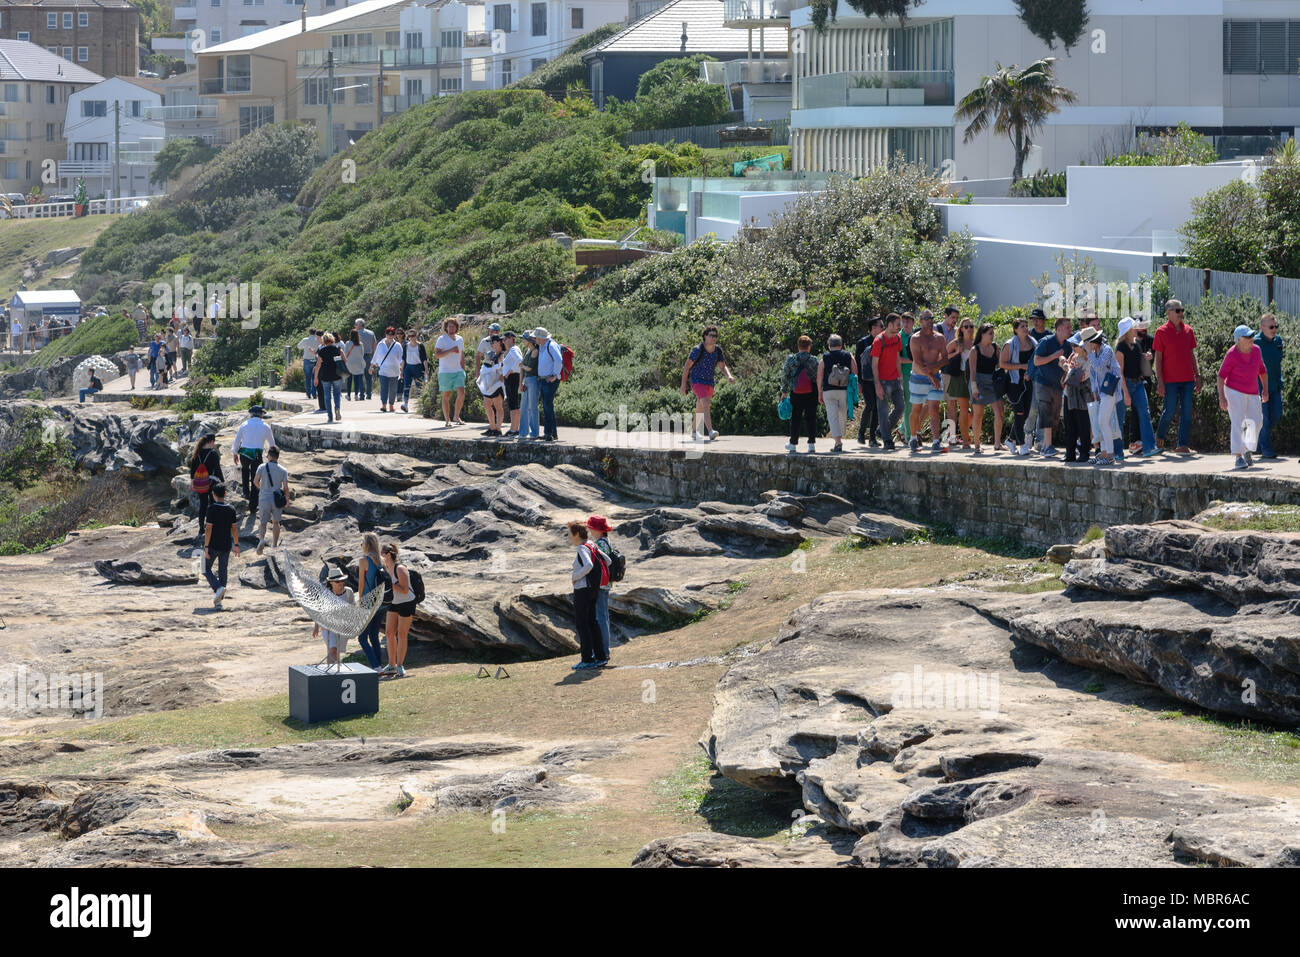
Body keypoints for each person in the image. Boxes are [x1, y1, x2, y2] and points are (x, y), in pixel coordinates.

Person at [1218, 324, 1269, 470]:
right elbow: (1221, 377)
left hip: (1252, 391)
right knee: (1238, 421)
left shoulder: (1257, 350)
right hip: (1233, 390)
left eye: (1252, 335)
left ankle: (1246, 448)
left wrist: (1265, 390)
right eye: (1248, 337)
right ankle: (1238, 456)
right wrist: (1222, 397)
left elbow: (1262, 371)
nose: (1252, 339)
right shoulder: (1232, 354)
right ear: (1238, 340)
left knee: (1257, 421)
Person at [1154, 299, 1201, 454]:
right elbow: (1158, 359)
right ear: (1168, 313)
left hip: (1188, 380)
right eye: (1177, 310)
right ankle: (1159, 438)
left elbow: (1191, 354)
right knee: (1169, 411)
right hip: (1170, 381)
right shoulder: (1161, 332)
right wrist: (1160, 381)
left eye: (1181, 310)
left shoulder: (1188, 330)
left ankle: (1182, 445)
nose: (1181, 313)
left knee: (1187, 412)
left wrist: (1198, 375)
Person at [1080, 325, 1126, 467]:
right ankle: (1105, 453)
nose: (1086, 347)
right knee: (1102, 422)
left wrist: (1090, 355)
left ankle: (1110, 455)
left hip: (1111, 391)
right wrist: (1095, 393)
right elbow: (1093, 375)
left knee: (1102, 421)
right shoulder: (1094, 353)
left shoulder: (1106, 350)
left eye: (1087, 343)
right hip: (1101, 392)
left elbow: (1099, 366)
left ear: (1093, 341)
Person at [682, 326, 735, 442]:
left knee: (700, 407)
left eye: (715, 336)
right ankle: (710, 431)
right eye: (711, 335)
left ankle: (694, 432)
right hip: (696, 381)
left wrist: (729, 376)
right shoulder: (697, 349)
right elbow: (687, 367)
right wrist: (683, 385)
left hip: (709, 382)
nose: (713, 338)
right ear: (705, 336)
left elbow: (722, 366)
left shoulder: (718, 350)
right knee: (705, 402)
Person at [1116, 317, 1158, 458]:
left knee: (1145, 413)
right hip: (1125, 384)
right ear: (1127, 331)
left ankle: (1149, 447)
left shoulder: (1137, 344)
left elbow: (1136, 360)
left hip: (1138, 383)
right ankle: (1117, 451)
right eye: (1134, 327)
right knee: (1120, 418)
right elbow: (1120, 373)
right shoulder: (1120, 348)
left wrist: (1145, 358)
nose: (1137, 329)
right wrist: (1126, 393)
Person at [568, 521, 606, 670]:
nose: (569, 537)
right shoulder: (592, 544)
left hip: (582, 590)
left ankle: (587, 659)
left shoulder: (582, 548)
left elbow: (589, 565)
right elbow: (607, 561)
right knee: (592, 622)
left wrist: (576, 576)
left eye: (570, 534)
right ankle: (600, 657)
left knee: (582, 624)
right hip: (593, 590)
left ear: (577, 534)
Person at [1032, 316, 1072, 456]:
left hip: (1057, 384)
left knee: (1055, 416)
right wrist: (1054, 355)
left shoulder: (1067, 345)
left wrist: (1065, 366)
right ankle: (1046, 446)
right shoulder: (1046, 342)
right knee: (1045, 411)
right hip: (1042, 382)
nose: (1070, 330)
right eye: (1068, 327)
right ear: (1059, 329)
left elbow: (1062, 362)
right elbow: (1036, 361)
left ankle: (1044, 444)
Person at [908, 310, 947, 452]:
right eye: (926, 318)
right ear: (920, 321)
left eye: (931, 318)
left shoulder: (940, 338)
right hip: (919, 378)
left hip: (935, 377)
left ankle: (936, 441)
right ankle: (912, 438)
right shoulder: (915, 338)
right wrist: (931, 377)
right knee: (916, 409)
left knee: (934, 409)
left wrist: (933, 369)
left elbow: (945, 358)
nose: (929, 320)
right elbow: (918, 362)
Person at [968, 322, 1004, 454]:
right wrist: (974, 388)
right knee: (978, 414)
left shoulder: (996, 347)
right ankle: (977, 445)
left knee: (999, 412)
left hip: (992, 382)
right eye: (990, 333)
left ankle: (997, 443)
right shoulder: (974, 350)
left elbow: (999, 367)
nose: (992, 336)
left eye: (993, 333)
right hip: (978, 382)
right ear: (982, 334)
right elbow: (972, 371)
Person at [1000, 318, 1035, 455]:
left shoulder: (1033, 343)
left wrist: (1030, 372)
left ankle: (1010, 439)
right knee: (1019, 412)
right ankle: (1022, 444)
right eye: (1022, 326)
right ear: (1015, 329)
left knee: (1025, 414)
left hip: (1028, 381)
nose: (1026, 328)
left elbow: (1034, 362)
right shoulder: (1010, 344)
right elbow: (1002, 364)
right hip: (1014, 382)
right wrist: (1021, 366)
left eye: (1026, 325)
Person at [816, 334, 856, 454]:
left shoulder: (825, 357)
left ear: (829, 345)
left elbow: (819, 375)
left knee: (832, 416)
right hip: (844, 391)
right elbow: (855, 371)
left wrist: (819, 391)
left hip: (829, 390)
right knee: (842, 414)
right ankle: (839, 438)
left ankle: (838, 442)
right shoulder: (848, 355)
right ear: (841, 345)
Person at [380, 542, 414, 678]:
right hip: (393, 602)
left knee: (401, 634)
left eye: (381, 554)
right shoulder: (384, 568)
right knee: (389, 633)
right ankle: (391, 664)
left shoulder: (400, 568)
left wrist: (390, 584)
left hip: (407, 602)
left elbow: (405, 590)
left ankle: (400, 666)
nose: (380, 556)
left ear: (388, 554)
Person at [231, 405, 274, 515]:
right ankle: (253, 505)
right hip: (256, 454)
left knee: (245, 471)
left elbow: (237, 440)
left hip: (244, 453)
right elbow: (272, 444)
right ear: (261, 414)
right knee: (256, 478)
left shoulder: (244, 424)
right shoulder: (265, 426)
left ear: (251, 414)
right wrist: (270, 456)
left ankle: (246, 492)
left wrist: (235, 453)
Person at [202, 481, 239, 608]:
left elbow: (208, 529)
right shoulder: (231, 509)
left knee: (204, 568)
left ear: (213, 494)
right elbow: (234, 528)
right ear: (225, 494)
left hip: (213, 545)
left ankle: (218, 588)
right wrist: (237, 544)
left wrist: (206, 547)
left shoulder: (211, 508)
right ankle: (220, 599)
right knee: (223, 570)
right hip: (226, 545)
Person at [871, 313, 905, 452]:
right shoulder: (879, 341)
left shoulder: (897, 338)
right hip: (883, 382)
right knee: (883, 412)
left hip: (895, 380)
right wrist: (878, 384)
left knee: (900, 407)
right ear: (890, 325)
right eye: (898, 324)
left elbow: (897, 358)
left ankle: (882, 431)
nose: (900, 327)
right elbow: (874, 365)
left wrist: (901, 377)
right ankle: (887, 440)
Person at [780, 335, 820, 453]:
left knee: (795, 418)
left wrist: (784, 392)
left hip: (795, 392)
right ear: (809, 347)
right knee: (811, 418)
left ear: (798, 346)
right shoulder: (814, 360)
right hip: (811, 392)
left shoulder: (791, 359)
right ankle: (811, 444)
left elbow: (785, 375)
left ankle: (793, 444)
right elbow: (819, 377)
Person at [943, 317, 975, 451]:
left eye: (971, 326)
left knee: (975, 411)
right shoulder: (957, 342)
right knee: (963, 409)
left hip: (974, 378)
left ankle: (963, 433)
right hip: (960, 377)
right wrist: (957, 352)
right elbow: (943, 357)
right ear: (961, 329)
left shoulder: (976, 343)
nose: (969, 329)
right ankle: (965, 439)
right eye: (966, 326)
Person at [1254, 314, 1284, 459]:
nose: (1274, 330)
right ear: (1262, 327)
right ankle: (1265, 448)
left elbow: (1278, 361)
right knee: (1263, 418)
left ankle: (1259, 441)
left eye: (1275, 327)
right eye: (1271, 327)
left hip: (1275, 384)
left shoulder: (1278, 341)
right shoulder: (1255, 343)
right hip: (1259, 386)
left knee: (1277, 414)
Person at [356, 532, 386, 670]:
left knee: (362, 638)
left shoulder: (364, 560)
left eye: (362, 543)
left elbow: (361, 584)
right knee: (374, 636)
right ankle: (379, 665)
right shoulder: (381, 560)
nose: (361, 546)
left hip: (368, 602)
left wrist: (360, 600)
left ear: (366, 545)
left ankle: (375, 666)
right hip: (381, 603)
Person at [253, 446, 290, 555]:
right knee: (276, 522)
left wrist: (262, 489)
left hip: (264, 498)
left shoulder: (262, 467)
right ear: (277, 457)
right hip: (277, 499)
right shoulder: (283, 470)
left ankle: (262, 540)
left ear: (269, 455)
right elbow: (286, 488)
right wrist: (287, 500)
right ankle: (274, 545)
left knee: (263, 522)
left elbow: (255, 481)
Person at [587, 515, 615, 661]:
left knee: (600, 618)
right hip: (605, 584)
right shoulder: (605, 542)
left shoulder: (600, 544)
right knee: (602, 617)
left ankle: (603, 651)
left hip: (601, 585)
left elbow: (599, 564)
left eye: (591, 527)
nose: (589, 530)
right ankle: (603, 650)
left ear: (598, 529)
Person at [1062, 334, 1092, 464]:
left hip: (1082, 395)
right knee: (1069, 426)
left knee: (1083, 425)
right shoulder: (1073, 356)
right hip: (1069, 393)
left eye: (1075, 345)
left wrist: (1067, 368)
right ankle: (1070, 453)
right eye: (1072, 345)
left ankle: (1084, 453)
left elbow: (1081, 377)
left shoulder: (1088, 358)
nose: (1073, 347)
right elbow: (1069, 374)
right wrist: (1067, 368)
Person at [314, 569, 355, 665]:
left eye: (342, 580)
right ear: (331, 583)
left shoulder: (349, 592)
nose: (340, 583)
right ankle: (331, 674)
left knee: (336, 652)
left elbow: (353, 609)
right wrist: (316, 627)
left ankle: (333, 673)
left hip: (342, 627)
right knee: (333, 650)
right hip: (328, 627)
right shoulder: (325, 594)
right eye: (337, 581)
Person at [189, 430, 223, 540]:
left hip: (200, 483)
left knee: (203, 505)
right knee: (213, 504)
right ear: (211, 441)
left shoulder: (197, 453)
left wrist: (192, 481)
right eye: (214, 441)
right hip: (212, 482)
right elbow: (217, 469)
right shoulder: (213, 453)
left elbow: (192, 470)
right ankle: (213, 526)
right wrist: (222, 481)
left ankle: (201, 528)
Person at [434, 317, 466, 427]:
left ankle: (456, 416)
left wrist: (463, 368)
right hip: (445, 371)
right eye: (449, 326)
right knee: (446, 396)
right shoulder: (441, 339)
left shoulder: (460, 339)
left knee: (461, 394)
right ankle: (447, 420)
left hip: (458, 371)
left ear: (456, 327)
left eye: (453, 326)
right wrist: (451, 350)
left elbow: (462, 354)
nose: (451, 328)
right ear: (446, 328)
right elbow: (437, 355)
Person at [855, 317, 882, 447]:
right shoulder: (863, 342)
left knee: (876, 407)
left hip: (879, 379)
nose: (883, 328)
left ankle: (872, 438)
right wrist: (858, 382)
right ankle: (861, 432)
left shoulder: (882, 341)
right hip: (865, 380)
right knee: (870, 405)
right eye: (880, 326)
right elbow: (857, 364)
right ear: (873, 327)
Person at [535, 326, 564, 443]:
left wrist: (555, 375)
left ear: (541, 338)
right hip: (544, 379)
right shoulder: (543, 346)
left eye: (536, 337)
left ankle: (549, 433)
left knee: (547, 406)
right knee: (547, 406)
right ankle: (551, 433)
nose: (535, 339)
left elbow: (558, 360)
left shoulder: (550, 345)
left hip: (549, 380)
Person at [477, 336, 506, 436]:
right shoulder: (493, 354)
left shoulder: (502, 354)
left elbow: (503, 367)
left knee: (498, 406)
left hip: (497, 384)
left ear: (498, 342)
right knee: (486, 405)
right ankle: (492, 427)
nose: (491, 345)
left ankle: (498, 429)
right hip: (489, 384)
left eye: (492, 342)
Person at [372, 326, 404, 413]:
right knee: (384, 388)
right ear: (386, 334)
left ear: (394, 335)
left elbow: (401, 358)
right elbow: (375, 356)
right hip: (383, 371)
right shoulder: (380, 344)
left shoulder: (398, 345)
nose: (390, 336)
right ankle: (384, 405)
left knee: (393, 389)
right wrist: (371, 367)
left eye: (392, 334)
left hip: (394, 371)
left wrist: (401, 370)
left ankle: (391, 405)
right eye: (388, 334)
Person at [314, 332, 344, 423]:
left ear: (324, 341)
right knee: (337, 394)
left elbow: (318, 365)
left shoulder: (322, 351)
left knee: (327, 396)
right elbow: (345, 360)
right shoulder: (338, 349)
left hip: (325, 375)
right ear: (332, 339)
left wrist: (316, 377)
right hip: (337, 375)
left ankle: (330, 416)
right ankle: (337, 408)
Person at [518, 330, 541, 440]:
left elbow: (530, 368)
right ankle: (523, 432)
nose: (522, 340)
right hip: (526, 380)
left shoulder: (535, 351)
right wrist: (520, 383)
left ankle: (534, 432)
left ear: (529, 340)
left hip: (533, 380)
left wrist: (522, 366)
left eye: (524, 338)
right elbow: (523, 368)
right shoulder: (526, 350)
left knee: (532, 407)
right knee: (523, 407)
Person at [500, 331, 523, 437]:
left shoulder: (514, 349)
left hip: (512, 378)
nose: (503, 342)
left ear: (510, 338)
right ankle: (515, 428)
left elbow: (520, 360)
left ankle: (513, 429)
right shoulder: (513, 350)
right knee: (513, 403)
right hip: (512, 378)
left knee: (512, 403)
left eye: (504, 339)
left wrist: (510, 371)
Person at [401, 329, 428, 414]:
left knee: (419, 386)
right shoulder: (406, 346)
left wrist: (426, 370)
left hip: (418, 367)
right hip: (408, 367)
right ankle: (405, 404)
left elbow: (424, 359)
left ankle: (421, 405)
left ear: (416, 336)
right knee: (406, 386)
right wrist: (401, 371)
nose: (411, 338)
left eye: (413, 336)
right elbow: (403, 359)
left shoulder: (420, 346)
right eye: (409, 336)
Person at [899, 311, 915, 445]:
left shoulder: (916, 336)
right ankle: (909, 436)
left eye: (908, 321)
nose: (906, 323)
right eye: (903, 321)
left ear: (913, 322)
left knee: (919, 405)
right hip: (905, 375)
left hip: (918, 374)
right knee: (909, 406)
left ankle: (901, 429)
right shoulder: (899, 337)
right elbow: (897, 359)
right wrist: (913, 361)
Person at [355, 318, 376, 400]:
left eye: (356, 324)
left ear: (359, 325)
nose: (355, 326)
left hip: (358, 356)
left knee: (360, 376)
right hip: (368, 356)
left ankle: (362, 395)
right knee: (368, 376)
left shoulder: (355, 334)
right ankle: (369, 394)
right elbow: (374, 345)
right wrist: (374, 356)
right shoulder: (371, 333)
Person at [343, 328, 367, 401]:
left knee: (349, 380)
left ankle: (349, 395)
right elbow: (362, 354)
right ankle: (356, 395)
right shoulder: (360, 344)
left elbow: (345, 353)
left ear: (350, 335)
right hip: (359, 364)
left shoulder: (347, 343)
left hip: (350, 364)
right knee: (357, 380)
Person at [297, 330, 319, 400]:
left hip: (307, 360)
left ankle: (308, 394)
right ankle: (314, 393)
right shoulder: (318, 340)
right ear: (315, 333)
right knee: (314, 377)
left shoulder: (305, 340)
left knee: (307, 378)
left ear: (309, 333)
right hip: (315, 360)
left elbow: (298, 346)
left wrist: (305, 347)